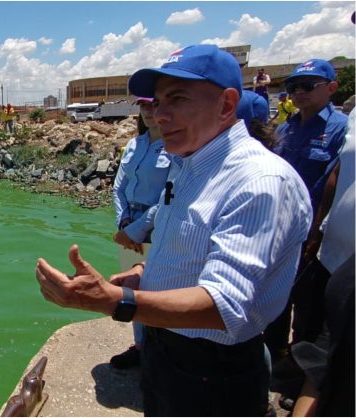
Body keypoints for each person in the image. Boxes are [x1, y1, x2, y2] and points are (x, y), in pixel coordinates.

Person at [35, 44, 312, 416]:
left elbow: (225, 305)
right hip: (165, 347)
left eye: (177, 99)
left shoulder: (258, 182)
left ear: (227, 105)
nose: (160, 115)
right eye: (157, 102)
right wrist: (141, 274)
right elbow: (185, 249)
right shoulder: (190, 165)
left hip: (213, 370)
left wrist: (112, 301)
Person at [265, 58, 348, 363]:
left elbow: (336, 185)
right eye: (293, 86)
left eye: (308, 86)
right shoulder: (287, 127)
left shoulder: (342, 131)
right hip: (279, 230)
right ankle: (274, 358)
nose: (299, 92)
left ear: (331, 88)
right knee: (276, 299)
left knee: (308, 307)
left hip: (315, 235)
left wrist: (316, 234)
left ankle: (300, 372)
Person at [292, 110, 355, 417]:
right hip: (330, 254)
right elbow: (337, 174)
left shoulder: (338, 124)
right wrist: (319, 227)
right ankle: (289, 375)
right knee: (311, 323)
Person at [109, 97, 170, 369]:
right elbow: (118, 187)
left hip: (156, 225)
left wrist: (136, 229)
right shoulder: (135, 144)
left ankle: (162, 348)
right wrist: (124, 225)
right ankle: (140, 346)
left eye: (153, 105)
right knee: (133, 290)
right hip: (128, 224)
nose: (148, 112)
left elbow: (168, 197)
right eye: (143, 106)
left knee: (159, 289)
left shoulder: (174, 148)